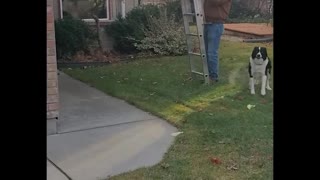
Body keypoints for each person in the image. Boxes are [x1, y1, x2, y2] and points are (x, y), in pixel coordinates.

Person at [203, 0, 232, 82]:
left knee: (212, 52)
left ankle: (213, 77)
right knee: (205, 52)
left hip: (216, 24)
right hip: (207, 23)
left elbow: (215, 2)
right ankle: (207, 75)